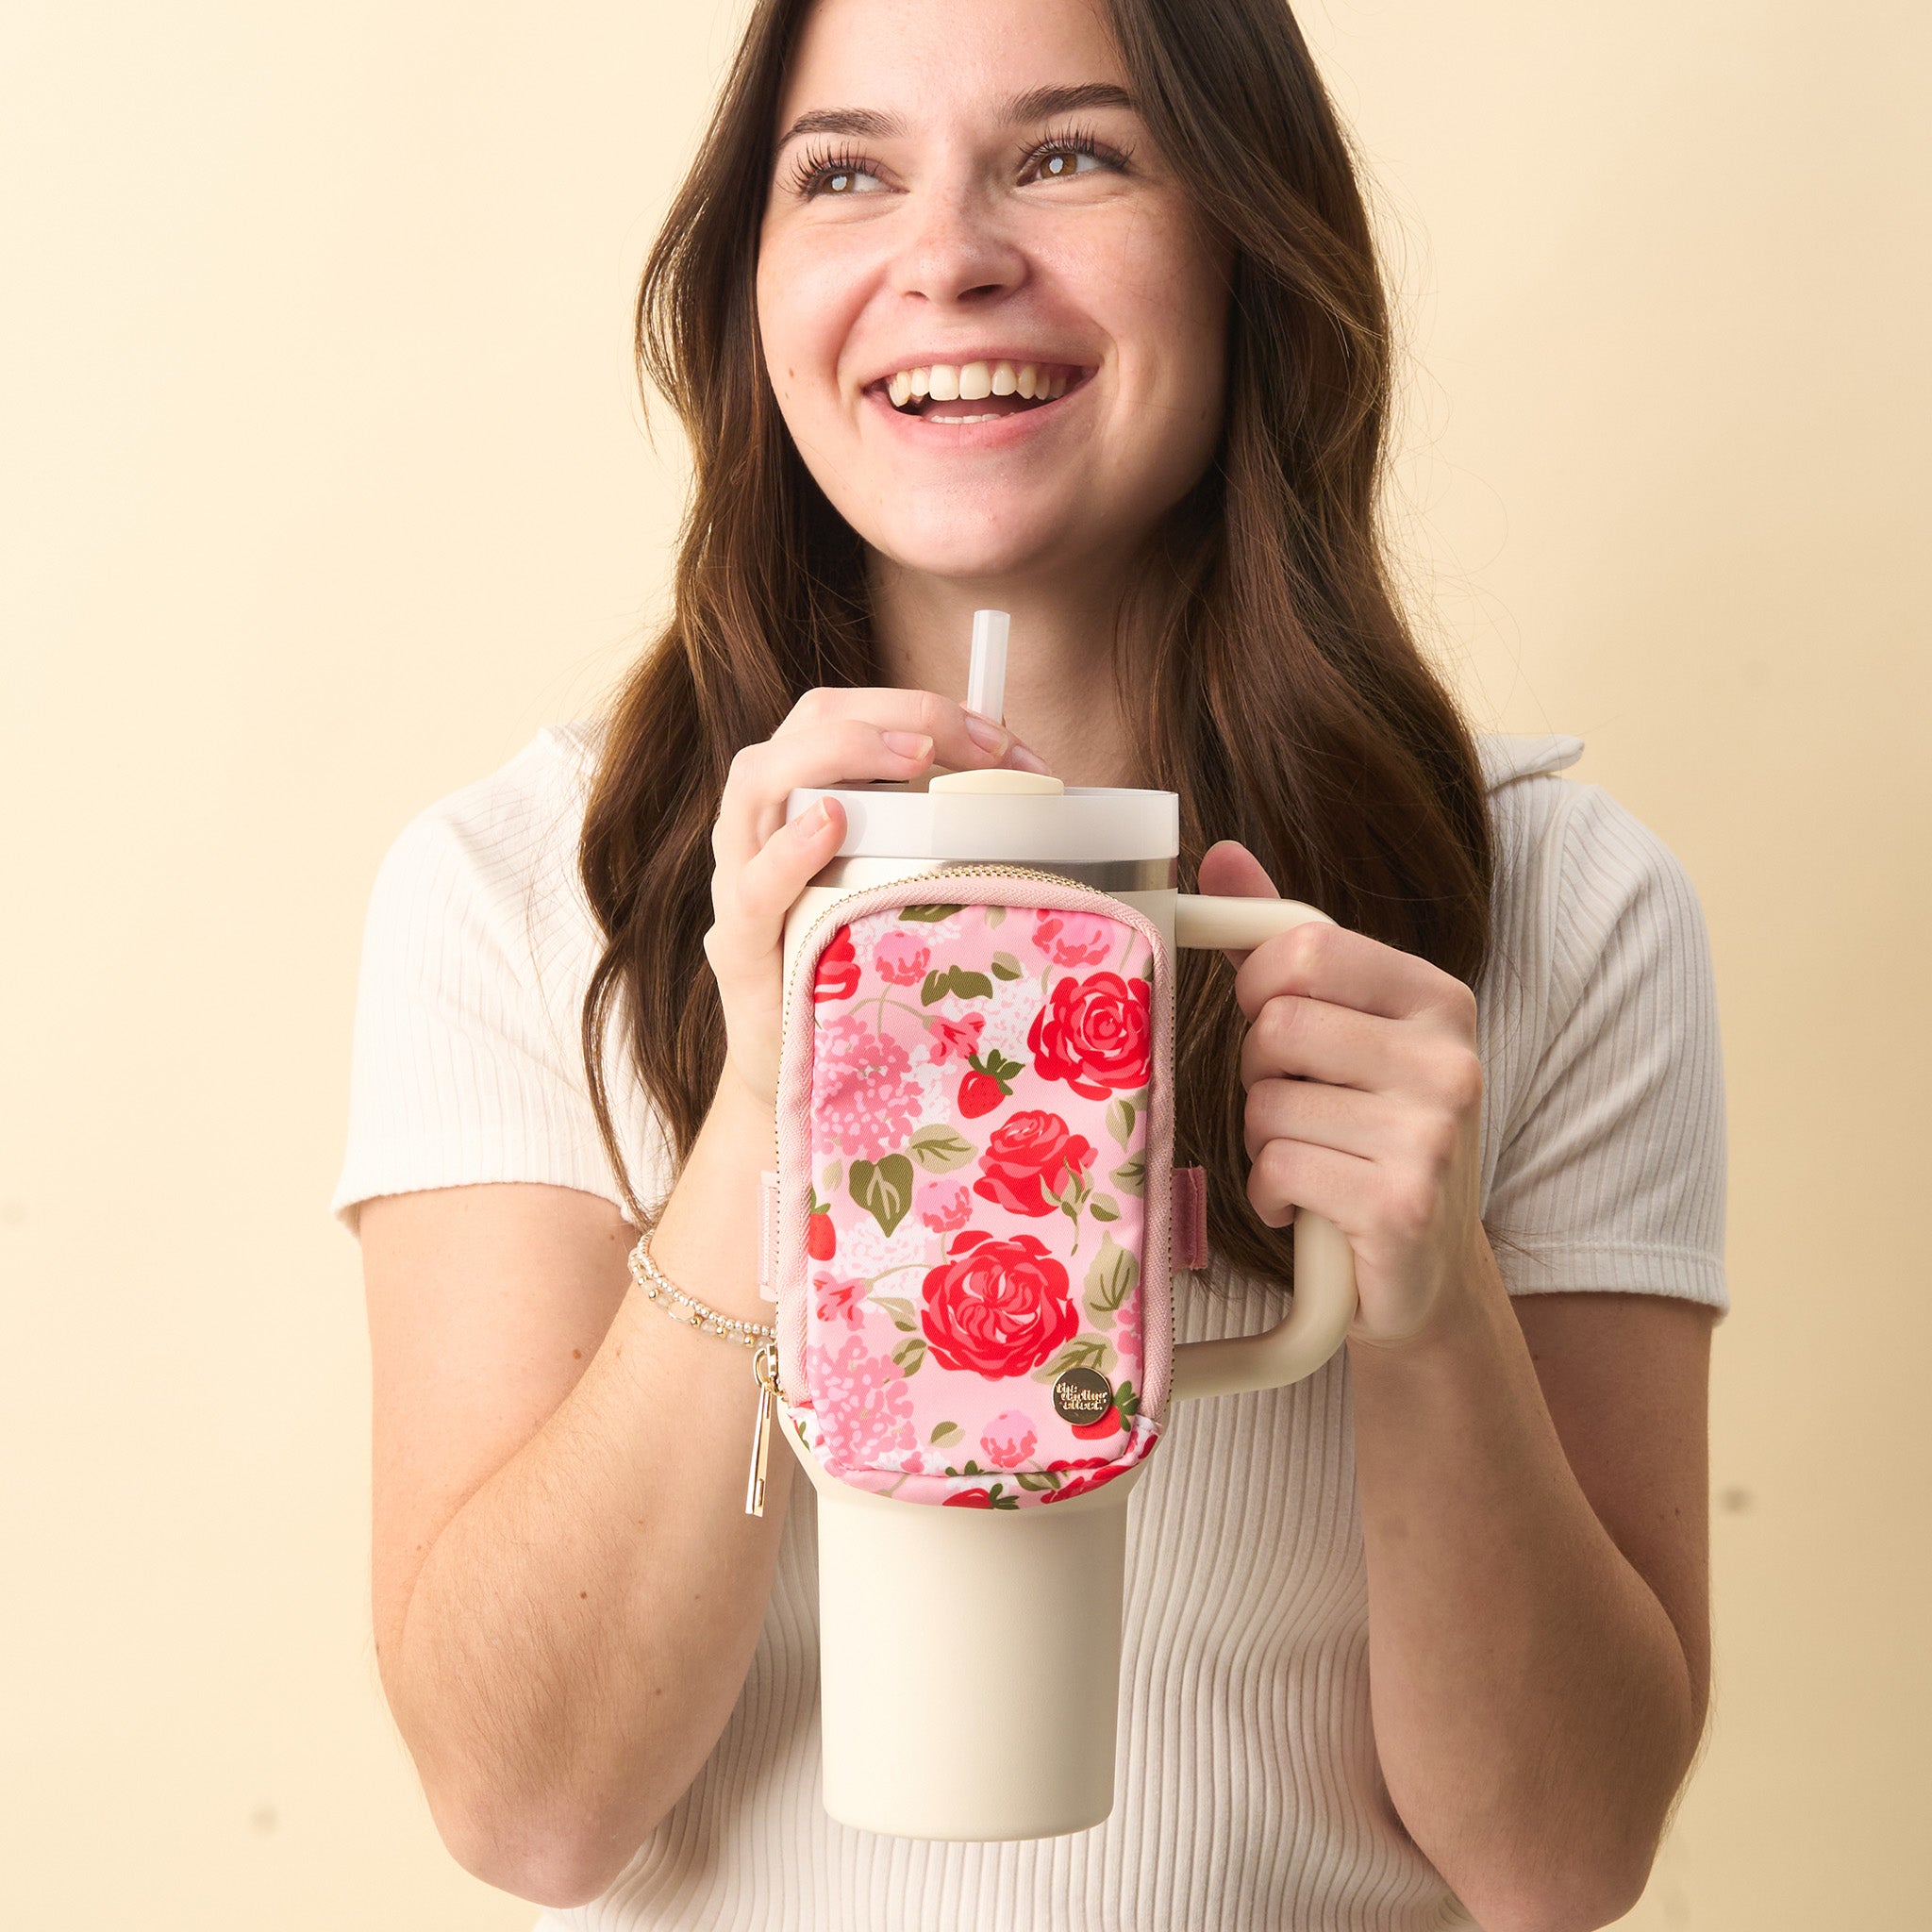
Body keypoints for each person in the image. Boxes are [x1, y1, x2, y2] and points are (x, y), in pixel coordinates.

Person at [330, 0, 1726, 1924]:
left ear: (1247, 240)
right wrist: (769, 1101)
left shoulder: (1561, 907)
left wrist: (1430, 1302)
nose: (948, 253)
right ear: (751, 291)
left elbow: (1562, 1862)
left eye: (1070, 153)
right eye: (846, 173)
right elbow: (528, 1808)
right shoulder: (515, 893)